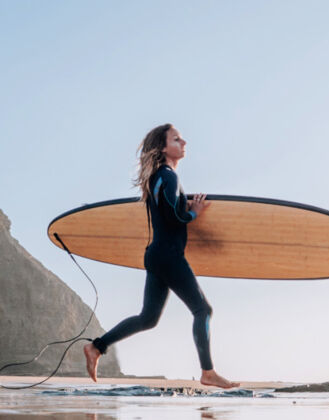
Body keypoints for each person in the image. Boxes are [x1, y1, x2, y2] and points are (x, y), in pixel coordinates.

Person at [83, 124, 238, 389]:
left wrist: (183, 204)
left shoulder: (159, 177)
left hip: (156, 255)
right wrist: (194, 212)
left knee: (148, 318)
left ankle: (96, 347)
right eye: (177, 139)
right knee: (203, 310)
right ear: (164, 148)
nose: (184, 142)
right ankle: (208, 372)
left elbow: (166, 211)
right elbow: (173, 217)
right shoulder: (167, 176)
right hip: (167, 255)